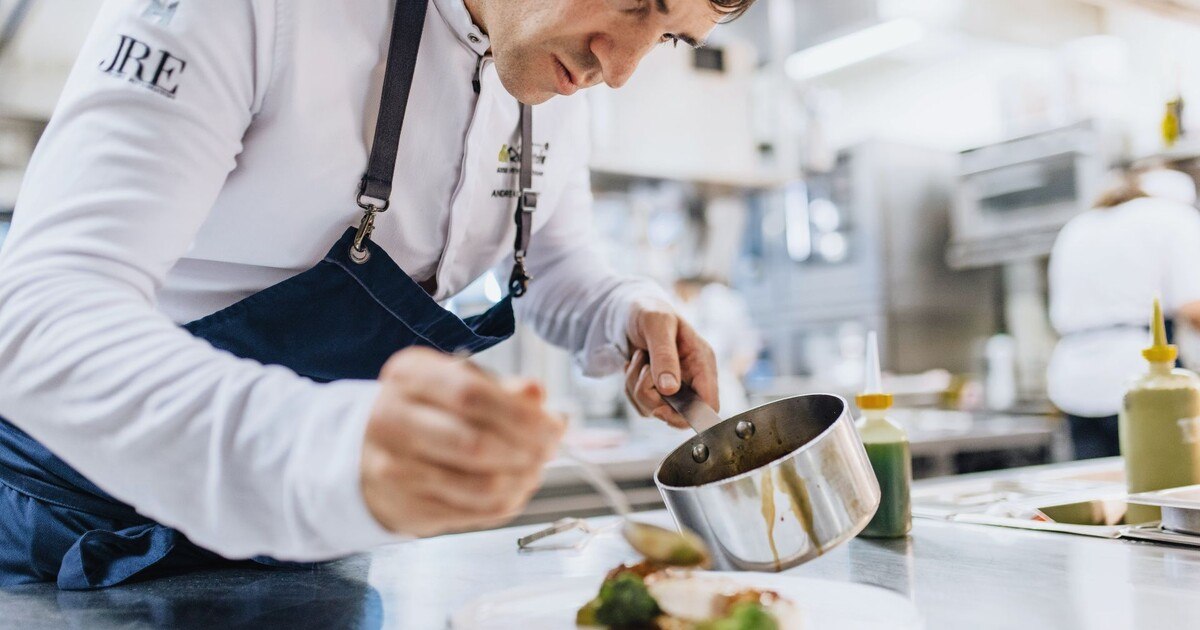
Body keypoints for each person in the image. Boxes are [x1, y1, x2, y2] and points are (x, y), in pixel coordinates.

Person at [0, 0, 751, 588]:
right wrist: (328, 448)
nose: (620, 69)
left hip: (304, 555)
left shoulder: (554, 79)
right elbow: (41, 310)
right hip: (76, 527)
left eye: (671, 38)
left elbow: (560, 264)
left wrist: (625, 307)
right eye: (633, 1)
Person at [1047, 166, 1200, 460]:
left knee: (1098, 485)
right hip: (1141, 376)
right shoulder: (1171, 216)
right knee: (1158, 486)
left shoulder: (1078, 226)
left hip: (1072, 378)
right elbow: (1192, 307)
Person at [671, 276, 761, 415]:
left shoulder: (722, 300)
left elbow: (746, 348)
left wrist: (725, 377)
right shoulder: (666, 301)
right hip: (678, 400)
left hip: (724, 398)